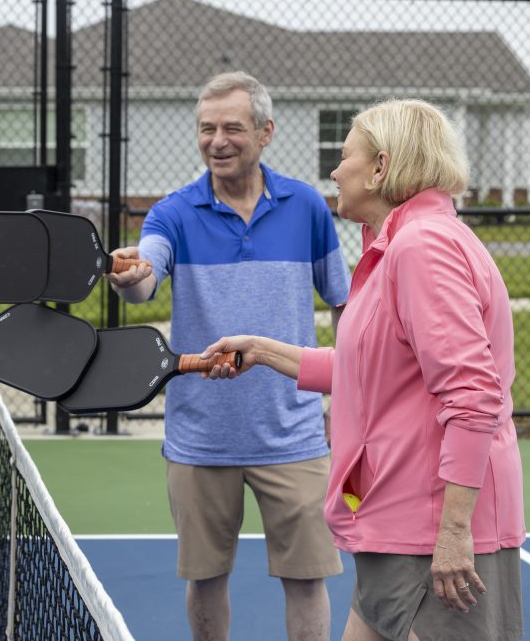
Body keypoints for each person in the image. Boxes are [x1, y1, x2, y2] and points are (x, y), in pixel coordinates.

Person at [201, 98, 525, 641]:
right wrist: (261, 350)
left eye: (344, 155)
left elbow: (472, 395)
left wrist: (452, 532)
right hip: (391, 524)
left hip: (427, 537)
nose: (334, 169)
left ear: (381, 166)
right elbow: (369, 368)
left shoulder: (423, 248)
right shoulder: (395, 245)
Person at [107, 71, 351, 641]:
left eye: (232, 128)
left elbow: (345, 305)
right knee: (206, 579)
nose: (217, 140)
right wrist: (131, 279)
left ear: (266, 132)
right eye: (206, 128)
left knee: (308, 580)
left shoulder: (308, 207)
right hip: (200, 437)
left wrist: (344, 395)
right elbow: (145, 276)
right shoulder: (171, 213)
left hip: (294, 435)